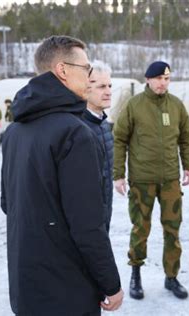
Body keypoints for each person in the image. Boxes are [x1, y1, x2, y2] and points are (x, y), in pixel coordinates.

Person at [0, 35, 123, 315]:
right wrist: (111, 283)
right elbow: (87, 226)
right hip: (68, 291)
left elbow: (9, 204)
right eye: (86, 69)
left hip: (25, 285)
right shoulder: (74, 133)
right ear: (63, 70)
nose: (89, 76)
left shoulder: (14, 132)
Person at [113, 61, 189, 300]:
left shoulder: (176, 106)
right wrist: (119, 174)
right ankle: (136, 274)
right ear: (147, 79)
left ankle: (171, 277)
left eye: (167, 79)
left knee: (173, 230)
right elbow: (119, 140)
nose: (163, 83)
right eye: (158, 78)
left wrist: (188, 165)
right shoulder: (134, 105)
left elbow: (186, 138)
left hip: (170, 180)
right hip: (141, 181)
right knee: (141, 228)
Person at [82, 60, 114, 232]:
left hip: (104, 210)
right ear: (86, 88)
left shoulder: (103, 123)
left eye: (110, 85)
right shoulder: (78, 127)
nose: (109, 92)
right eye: (102, 87)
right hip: (87, 219)